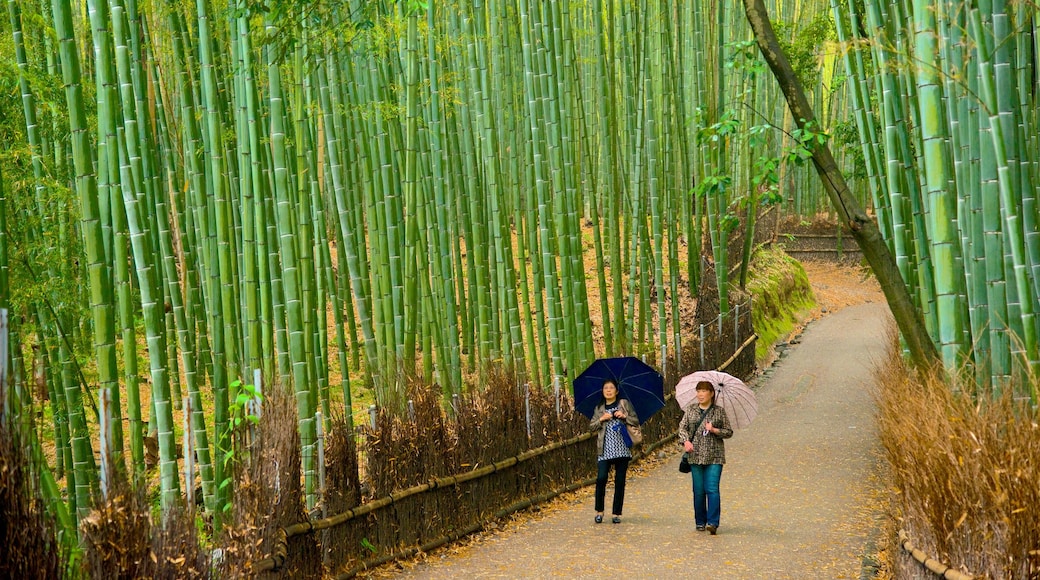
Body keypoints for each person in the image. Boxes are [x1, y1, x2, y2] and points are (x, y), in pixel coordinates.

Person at [677, 380, 733, 535]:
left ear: (711, 393)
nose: (700, 394)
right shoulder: (691, 410)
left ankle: (713, 522)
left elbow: (728, 431)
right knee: (699, 490)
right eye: (698, 391)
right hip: (695, 456)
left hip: (714, 455)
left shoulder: (719, 412)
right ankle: (700, 521)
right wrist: (686, 440)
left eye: (703, 391)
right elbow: (682, 428)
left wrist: (714, 430)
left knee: (712, 488)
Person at [589, 379, 640, 524]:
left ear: (617, 391)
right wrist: (601, 419)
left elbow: (635, 421)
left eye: (611, 388)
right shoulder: (599, 408)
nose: (608, 390)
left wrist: (625, 416)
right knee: (601, 479)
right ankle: (599, 511)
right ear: (602, 391)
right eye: (606, 388)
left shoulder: (624, 404)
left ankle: (616, 513)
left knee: (619, 481)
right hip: (605, 449)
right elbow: (591, 426)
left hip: (622, 448)